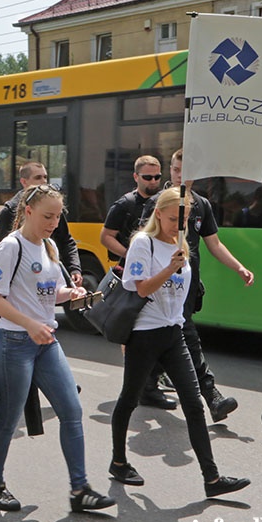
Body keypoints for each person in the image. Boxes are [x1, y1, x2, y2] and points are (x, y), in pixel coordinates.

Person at [0, 184, 116, 513]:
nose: (54, 222)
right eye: (47, 216)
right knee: (8, 419)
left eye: (57, 216)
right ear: (27, 212)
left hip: (46, 341)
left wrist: (68, 294)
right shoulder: (10, 248)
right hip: (14, 342)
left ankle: (79, 489)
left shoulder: (51, 246)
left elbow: (48, 292)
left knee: (72, 411)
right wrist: (29, 324)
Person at [109, 188, 250, 498]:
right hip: (144, 335)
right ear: (158, 213)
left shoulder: (179, 241)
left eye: (182, 220)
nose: (177, 225)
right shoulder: (142, 244)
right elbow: (142, 289)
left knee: (194, 405)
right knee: (129, 399)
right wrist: (171, 268)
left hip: (174, 333)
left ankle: (211, 479)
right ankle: (118, 461)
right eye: (173, 219)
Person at [141, 149, 254, 422]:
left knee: (167, 336)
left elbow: (214, 243)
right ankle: (211, 395)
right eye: (178, 170)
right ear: (171, 171)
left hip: (186, 287)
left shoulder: (201, 205)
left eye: (188, 171)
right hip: (160, 288)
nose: (182, 176)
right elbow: (142, 242)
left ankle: (147, 385)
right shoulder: (157, 203)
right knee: (186, 337)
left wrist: (238, 266)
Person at [100, 155, 174, 410]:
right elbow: (105, 237)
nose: (154, 181)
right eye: (148, 177)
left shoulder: (163, 202)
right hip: (131, 277)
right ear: (136, 177)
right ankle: (139, 383)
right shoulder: (125, 204)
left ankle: (148, 380)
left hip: (159, 277)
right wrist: (129, 255)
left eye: (157, 176)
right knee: (131, 331)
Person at [0, 162, 83, 287]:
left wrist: (74, 269)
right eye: (38, 178)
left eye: (45, 177)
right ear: (24, 182)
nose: (44, 181)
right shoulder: (10, 212)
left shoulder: (51, 244)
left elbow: (66, 240)